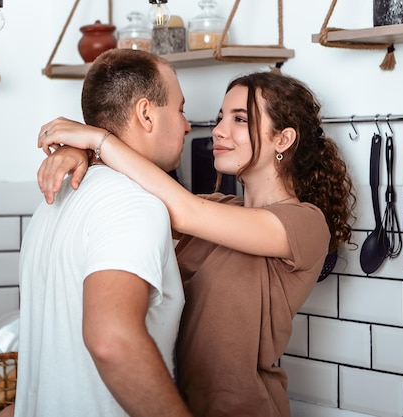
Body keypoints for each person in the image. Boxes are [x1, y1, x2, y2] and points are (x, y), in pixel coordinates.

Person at [37, 70, 356, 417]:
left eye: (239, 119)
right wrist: (84, 156)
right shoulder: (217, 207)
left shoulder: (305, 223)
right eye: (221, 118)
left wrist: (97, 141)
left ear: (283, 139)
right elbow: (144, 190)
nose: (218, 130)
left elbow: (183, 209)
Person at [12, 49, 193, 417]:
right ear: (146, 114)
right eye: (180, 109)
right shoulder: (133, 203)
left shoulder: (56, 201)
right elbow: (111, 340)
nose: (188, 124)